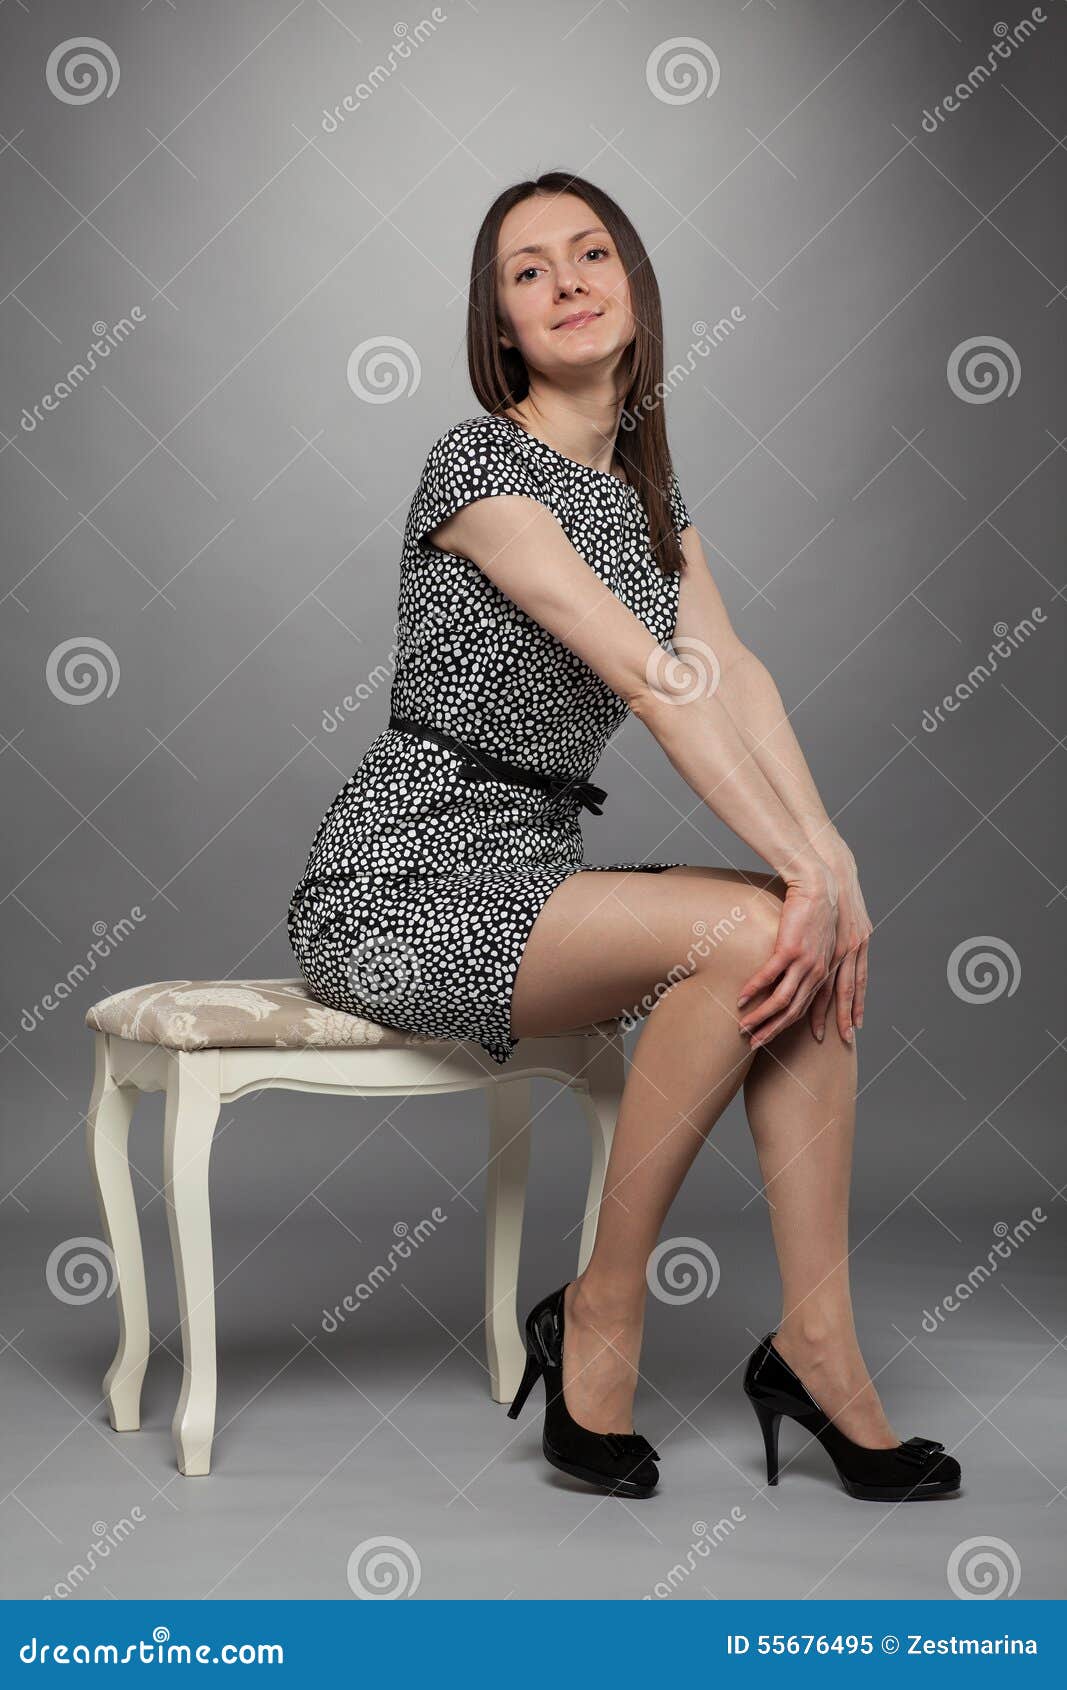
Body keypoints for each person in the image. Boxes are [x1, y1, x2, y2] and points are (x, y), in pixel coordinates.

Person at [287, 171, 960, 1505]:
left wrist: (830, 856)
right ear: (502, 329)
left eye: (591, 251)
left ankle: (818, 1340)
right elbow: (654, 681)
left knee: (798, 930)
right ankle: (601, 1312)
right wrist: (808, 874)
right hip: (403, 877)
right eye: (527, 270)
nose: (567, 278)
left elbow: (733, 675)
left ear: (638, 287)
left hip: (533, 871)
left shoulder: (653, 502)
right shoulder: (480, 465)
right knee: (772, 916)